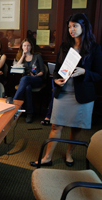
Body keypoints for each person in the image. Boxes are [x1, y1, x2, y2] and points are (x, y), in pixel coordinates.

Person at [30, 13, 102, 167]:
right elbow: (56, 70)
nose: (71, 29)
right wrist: (55, 79)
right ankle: (47, 157)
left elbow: (99, 74)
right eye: (69, 26)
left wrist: (84, 72)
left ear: (84, 27)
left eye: (75, 26)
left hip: (82, 94)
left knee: (76, 127)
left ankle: (69, 154)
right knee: (56, 125)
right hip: (63, 92)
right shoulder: (64, 46)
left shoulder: (94, 48)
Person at [13, 38, 45, 123]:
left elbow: (42, 71)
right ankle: (30, 113)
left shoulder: (37, 56)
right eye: (24, 45)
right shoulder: (21, 57)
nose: (26, 47)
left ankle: (14, 103)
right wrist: (23, 55)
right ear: (22, 47)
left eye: (28, 45)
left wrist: (36, 75)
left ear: (31, 47)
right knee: (27, 88)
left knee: (24, 79)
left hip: (37, 79)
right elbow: (16, 67)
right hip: (26, 82)